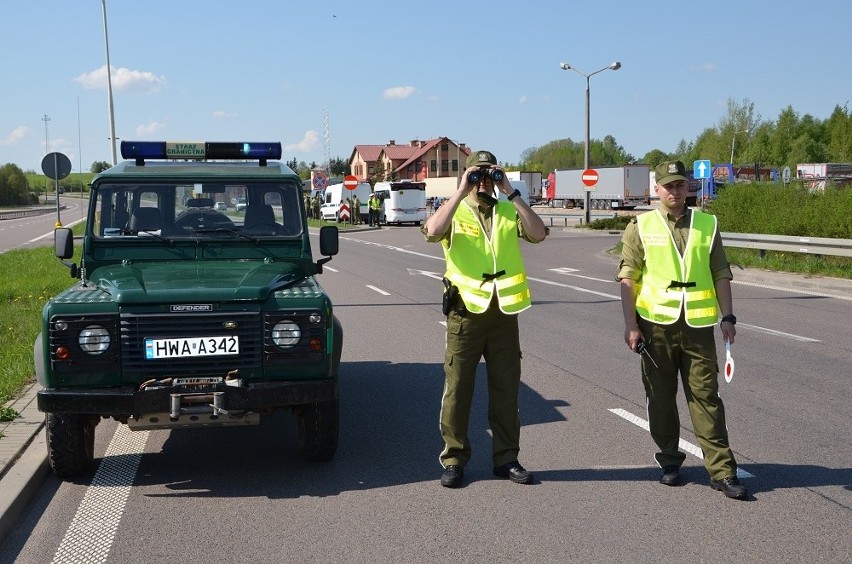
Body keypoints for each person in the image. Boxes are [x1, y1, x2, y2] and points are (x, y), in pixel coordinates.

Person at [616, 160, 748, 500]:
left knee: (706, 398)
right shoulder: (641, 226)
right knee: (660, 399)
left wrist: (728, 317)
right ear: (657, 189)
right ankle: (670, 461)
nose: (675, 191)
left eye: (680, 185)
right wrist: (631, 326)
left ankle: (722, 471)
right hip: (655, 328)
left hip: (698, 329)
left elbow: (721, 271)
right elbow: (628, 277)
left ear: (688, 187)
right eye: (668, 185)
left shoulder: (707, 224)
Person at [422, 149, 547, 488]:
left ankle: (506, 459)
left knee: (506, 391)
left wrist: (512, 191)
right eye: (477, 174)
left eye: (489, 174)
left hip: (503, 313)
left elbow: (539, 233)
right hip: (465, 314)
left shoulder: (508, 208)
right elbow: (432, 232)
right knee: (458, 389)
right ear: (466, 175)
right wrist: (461, 190)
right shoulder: (455, 209)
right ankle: (454, 460)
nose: (483, 181)